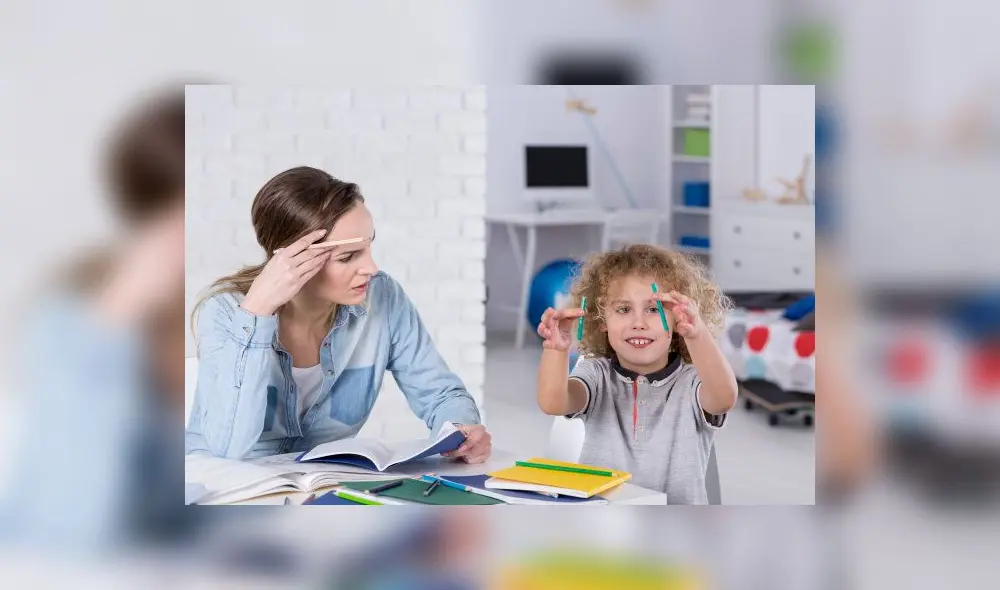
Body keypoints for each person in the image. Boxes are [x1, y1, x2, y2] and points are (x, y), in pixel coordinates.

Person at [185, 166, 491, 463]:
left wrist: (462, 429)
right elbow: (229, 449)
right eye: (348, 257)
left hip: (320, 486)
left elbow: (440, 394)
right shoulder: (226, 312)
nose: (371, 268)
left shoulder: (383, 299)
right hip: (227, 489)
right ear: (293, 259)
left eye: (369, 247)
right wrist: (258, 313)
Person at [535, 244, 737, 504]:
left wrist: (697, 333)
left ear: (677, 319)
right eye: (623, 310)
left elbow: (724, 397)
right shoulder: (597, 373)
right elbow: (553, 402)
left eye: (654, 310)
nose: (638, 323)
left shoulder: (692, 381)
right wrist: (556, 349)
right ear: (602, 321)